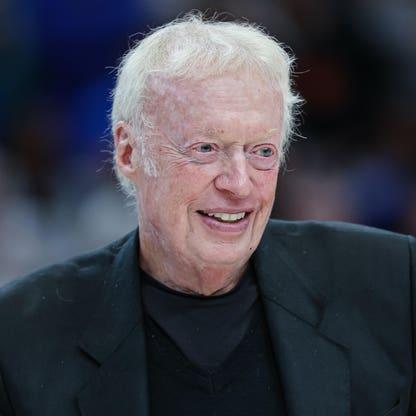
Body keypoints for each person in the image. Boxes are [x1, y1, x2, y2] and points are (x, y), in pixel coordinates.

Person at [0, 13, 415, 416]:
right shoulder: (21, 333)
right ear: (128, 152)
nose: (239, 184)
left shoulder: (395, 280)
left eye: (262, 151)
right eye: (205, 148)